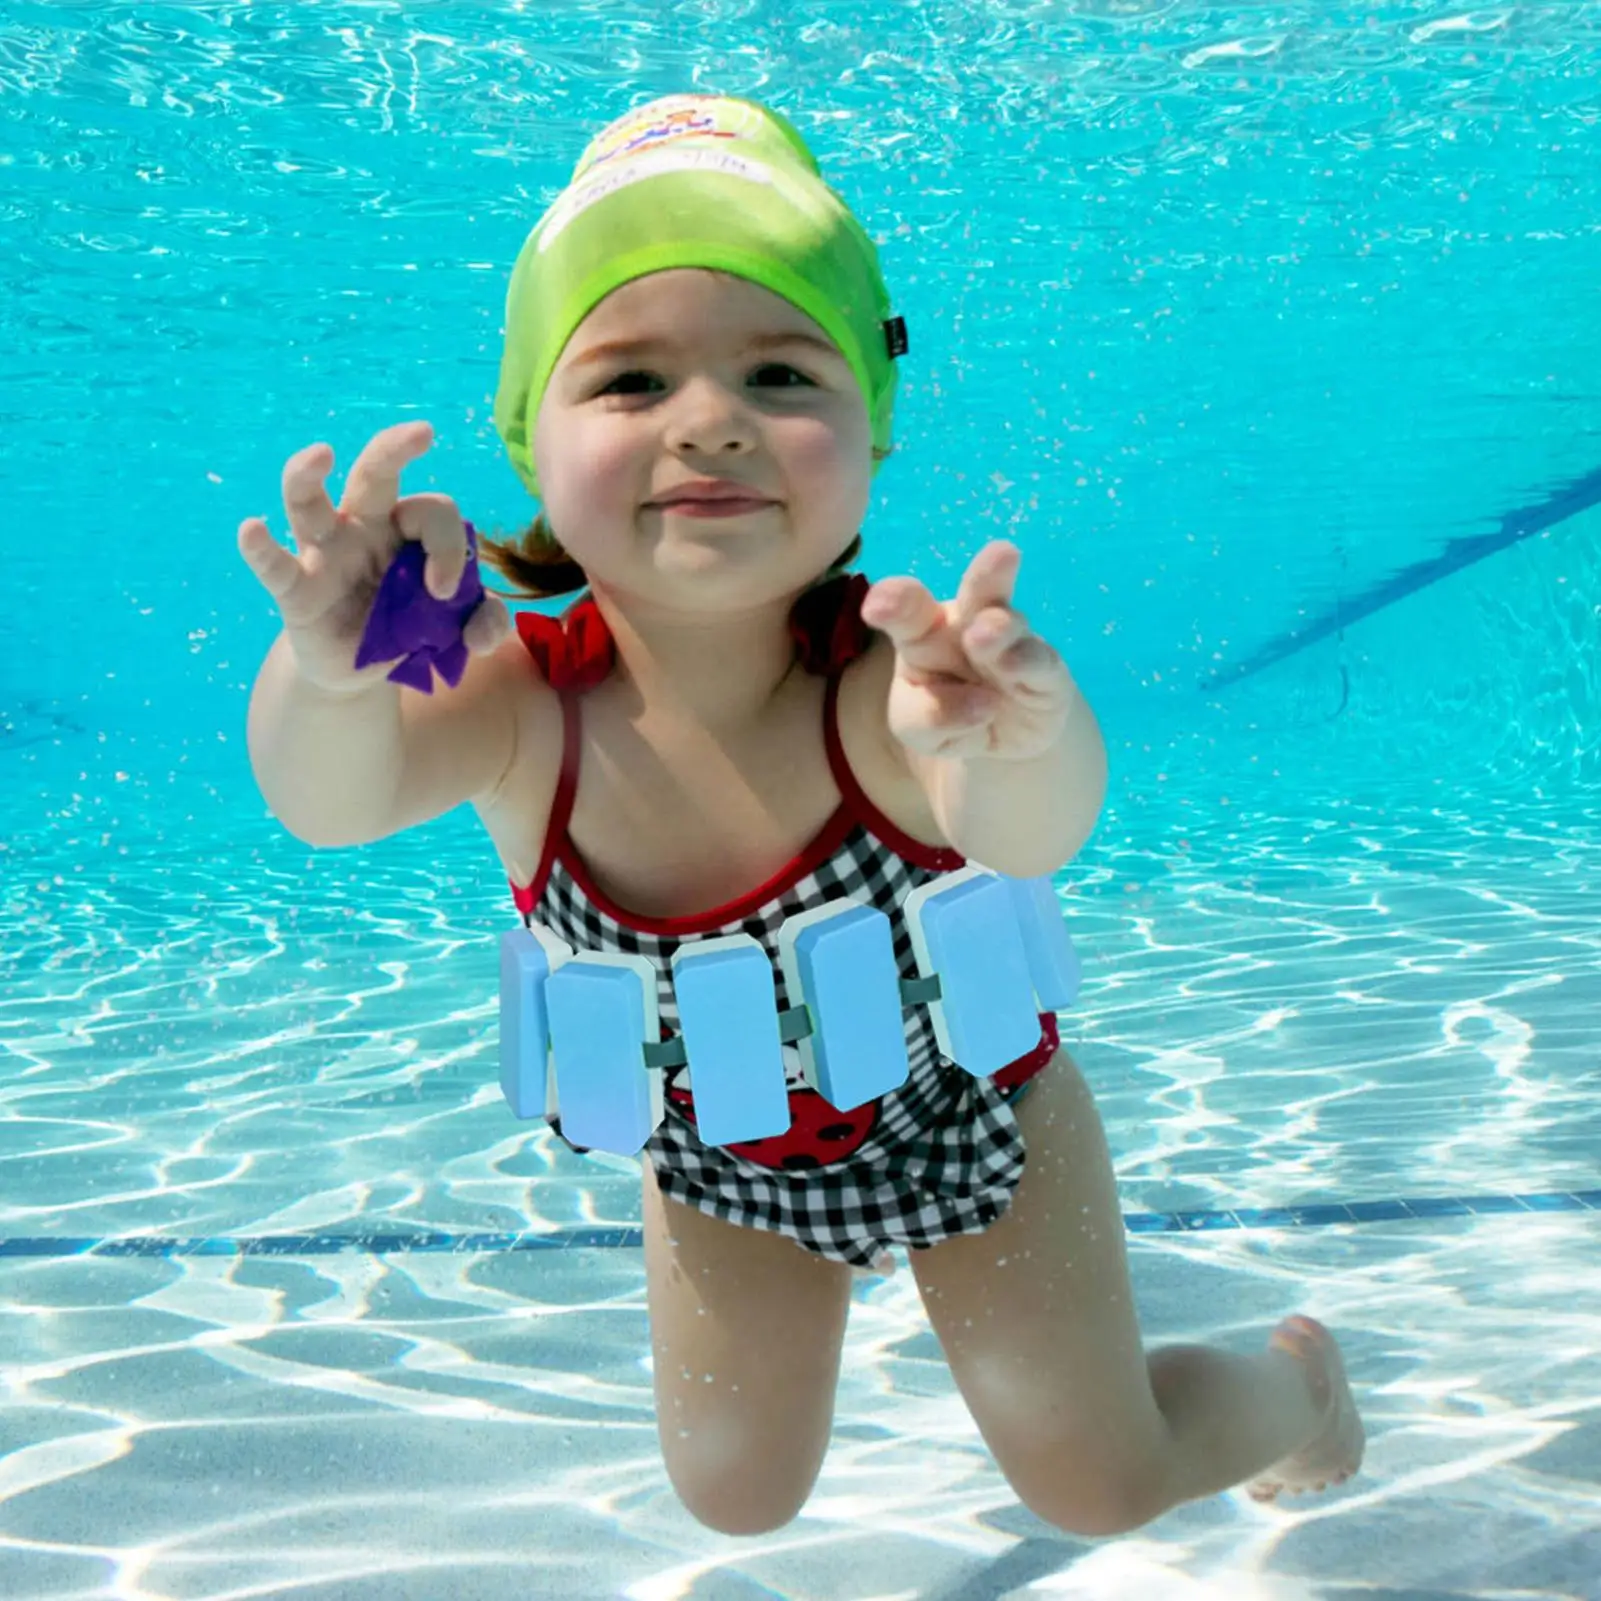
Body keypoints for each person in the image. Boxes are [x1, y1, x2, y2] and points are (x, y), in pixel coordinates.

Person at [240, 93, 1362, 1539]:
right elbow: (328, 802)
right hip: (719, 1160)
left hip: (973, 1122)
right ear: (531, 441)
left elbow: (1028, 831)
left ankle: (1297, 1400)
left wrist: (1025, 739)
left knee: (1100, 1484)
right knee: (736, 1497)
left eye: (780, 374)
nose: (710, 424)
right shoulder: (516, 703)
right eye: (632, 384)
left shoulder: (890, 681)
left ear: (868, 434)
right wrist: (326, 671)